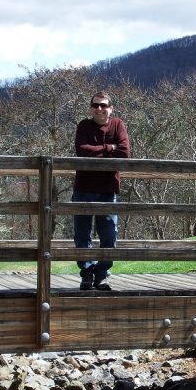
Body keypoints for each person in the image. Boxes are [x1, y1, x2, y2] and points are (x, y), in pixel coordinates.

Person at [73, 91, 131, 290]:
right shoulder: (84, 125)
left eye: (103, 105)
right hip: (83, 187)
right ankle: (87, 274)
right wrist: (109, 147)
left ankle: (102, 274)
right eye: (96, 105)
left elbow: (125, 152)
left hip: (108, 189)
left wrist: (98, 149)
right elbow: (82, 150)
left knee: (108, 235)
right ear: (91, 108)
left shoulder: (118, 124)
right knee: (82, 235)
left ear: (110, 108)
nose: (99, 109)